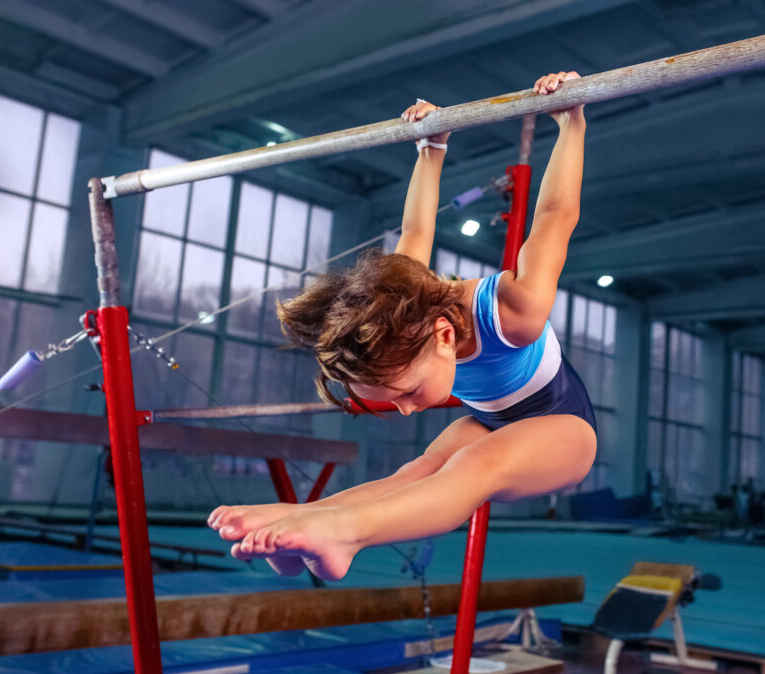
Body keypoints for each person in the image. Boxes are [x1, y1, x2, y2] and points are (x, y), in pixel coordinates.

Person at [207, 71, 596, 581]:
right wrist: (429, 148)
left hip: (563, 428)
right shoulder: (405, 294)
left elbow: (555, 216)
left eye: (407, 390)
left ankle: (344, 533)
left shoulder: (513, 314)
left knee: (471, 468)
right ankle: (302, 520)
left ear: (444, 335)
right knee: (415, 474)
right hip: (491, 423)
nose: (406, 409)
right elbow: (415, 229)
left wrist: (571, 120)